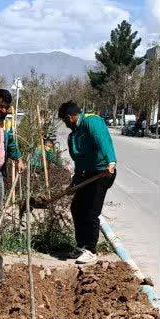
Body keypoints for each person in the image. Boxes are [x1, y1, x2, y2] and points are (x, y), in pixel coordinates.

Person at [57, 101, 117, 264]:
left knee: (91, 211)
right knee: (76, 208)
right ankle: (81, 245)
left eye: (64, 120)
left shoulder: (92, 121)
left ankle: (91, 250)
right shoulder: (73, 136)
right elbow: (80, 163)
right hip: (86, 175)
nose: (65, 123)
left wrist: (110, 161)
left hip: (102, 172)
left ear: (69, 117)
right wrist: (74, 183)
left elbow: (102, 140)